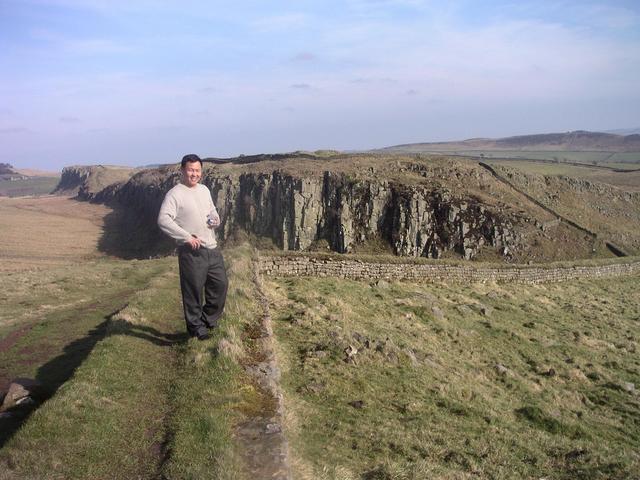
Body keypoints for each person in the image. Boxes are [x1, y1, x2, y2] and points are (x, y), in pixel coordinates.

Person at [157, 154, 228, 341]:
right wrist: (186, 237)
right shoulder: (175, 194)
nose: (194, 174)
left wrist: (216, 219)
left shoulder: (204, 189)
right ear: (182, 170)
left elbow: (212, 211)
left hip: (212, 247)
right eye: (190, 170)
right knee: (193, 291)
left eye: (197, 170)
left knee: (220, 285)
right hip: (192, 252)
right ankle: (196, 328)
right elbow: (163, 219)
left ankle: (208, 320)